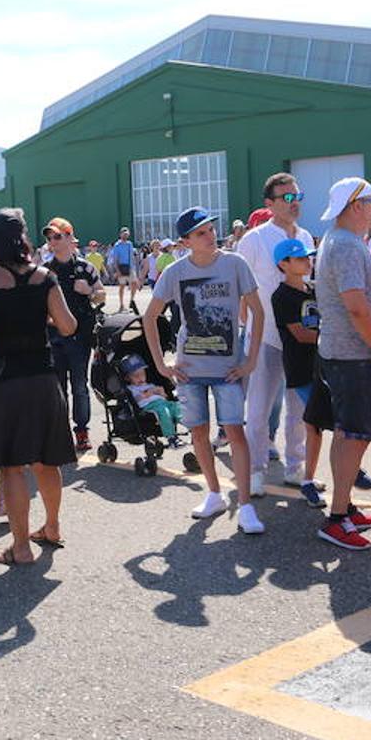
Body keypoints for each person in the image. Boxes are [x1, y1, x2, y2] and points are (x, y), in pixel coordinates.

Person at [0, 208, 77, 565]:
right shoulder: (45, 277)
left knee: (11, 466)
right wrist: (37, 314)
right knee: (46, 459)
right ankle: (52, 526)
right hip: (43, 379)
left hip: (2, 383)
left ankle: (22, 547)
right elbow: (68, 326)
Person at [144, 206, 264, 534]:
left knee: (234, 433)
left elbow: (256, 311)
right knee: (198, 432)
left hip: (228, 368)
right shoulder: (175, 272)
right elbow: (149, 316)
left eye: (210, 229)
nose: (210, 236)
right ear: (185, 242)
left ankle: (246, 505)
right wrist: (160, 363)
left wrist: (250, 360)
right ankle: (213, 493)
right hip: (189, 369)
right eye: (201, 233)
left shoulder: (234, 263)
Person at [312, 177, 371, 550]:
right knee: (353, 437)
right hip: (354, 355)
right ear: (356, 205)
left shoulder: (339, 240)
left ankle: (343, 508)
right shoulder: (344, 244)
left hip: (345, 353)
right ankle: (337, 517)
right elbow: (356, 306)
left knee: (348, 435)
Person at [236, 173, 317, 497]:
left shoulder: (308, 237)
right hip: (265, 337)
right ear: (269, 204)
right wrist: (243, 330)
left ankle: (295, 468)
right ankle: (255, 471)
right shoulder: (254, 240)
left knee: (299, 409)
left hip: (301, 341)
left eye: (297, 196)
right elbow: (239, 288)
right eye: (286, 197)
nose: (293, 202)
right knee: (257, 411)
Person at [270, 238, 332, 508]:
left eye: (308, 257)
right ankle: (306, 480)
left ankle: (308, 476)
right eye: (300, 258)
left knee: (315, 423)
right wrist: (332, 336)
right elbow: (301, 334)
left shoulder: (312, 289)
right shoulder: (281, 296)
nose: (308, 261)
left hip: (322, 365)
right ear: (283, 264)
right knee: (314, 423)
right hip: (300, 368)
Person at [42, 216, 105, 451]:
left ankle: (82, 430)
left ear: (70, 237)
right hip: (53, 337)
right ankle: (60, 431)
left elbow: (101, 295)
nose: (53, 241)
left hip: (80, 338)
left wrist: (89, 290)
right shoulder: (45, 271)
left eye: (57, 236)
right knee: (57, 387)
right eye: (49, 238)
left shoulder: (85, 267)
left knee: (79, 385)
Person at [119, 354, 182, 443]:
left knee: (178, 407)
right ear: (127, 378)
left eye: (142, 374)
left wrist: (162, 392)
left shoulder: (150, 385)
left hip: (162, 402)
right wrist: (150, 392)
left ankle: (192, 427)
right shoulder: (131, 389)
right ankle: (171, 437)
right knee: (163, 411)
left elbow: (165, 397)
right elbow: (137, 399)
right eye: (136, 376)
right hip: (149, 406)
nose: (140, 377)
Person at [108, 227, 137, 312]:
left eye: (126, 234)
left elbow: (132, 256)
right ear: (120, 234)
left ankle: (131, 302)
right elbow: (115, 259)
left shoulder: (130, 244)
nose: (125, 235)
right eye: (124, 233)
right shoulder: (117, 245)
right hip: (121, 268)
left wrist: (134, 268)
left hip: (130, 267)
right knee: (122, 286)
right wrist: (117, 271)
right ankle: (121, 305)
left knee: (134, 284)